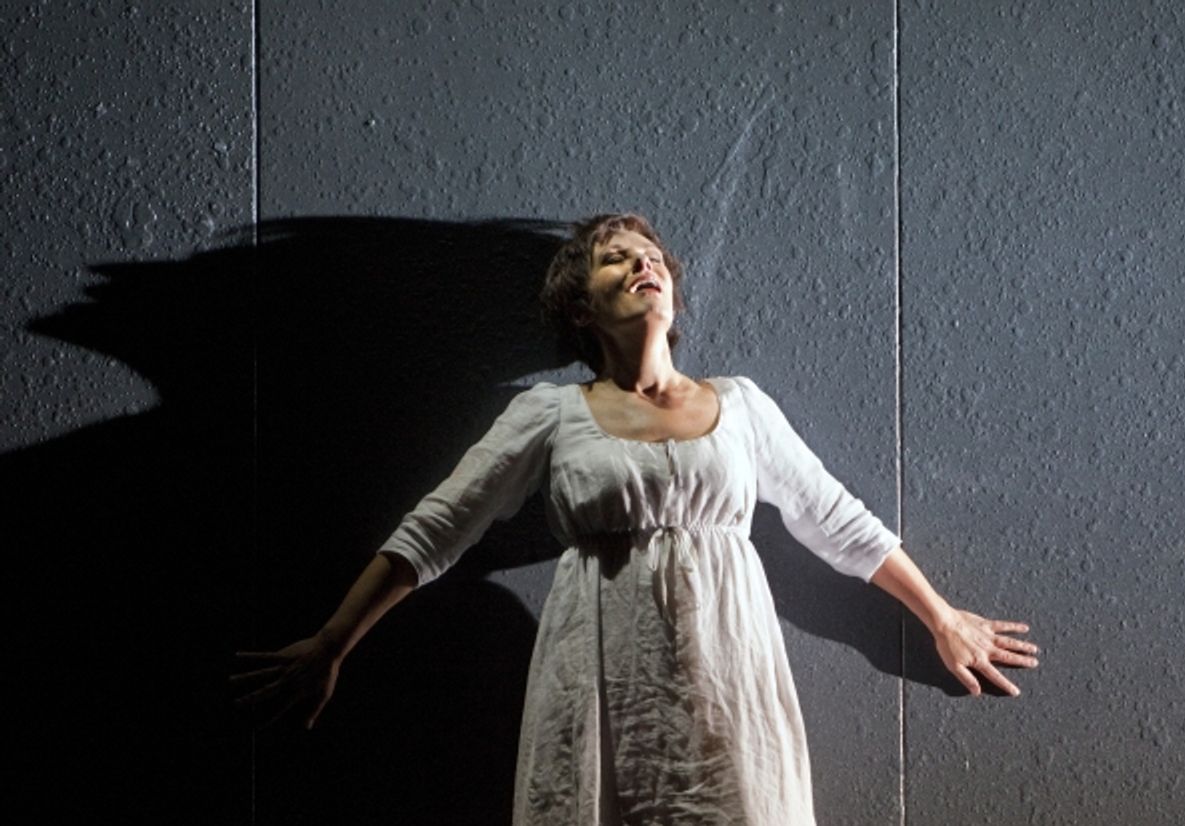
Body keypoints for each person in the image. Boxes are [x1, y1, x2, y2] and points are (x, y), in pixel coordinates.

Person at [233, 213, 1039, 825]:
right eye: (614, 257)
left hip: (730, 674)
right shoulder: (550, 415)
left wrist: (941, 618)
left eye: (650, 253)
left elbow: (833, 516)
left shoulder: (742, 403)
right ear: (581, 306)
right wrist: (333, 641)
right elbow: (438, 528)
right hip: (601, 679)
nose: (642, 261)